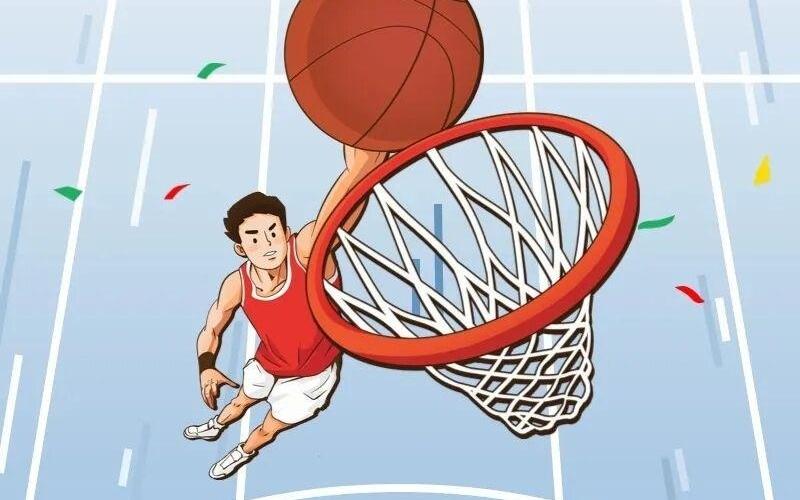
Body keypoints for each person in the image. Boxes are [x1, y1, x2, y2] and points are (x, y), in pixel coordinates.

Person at [184, 146, 387, 480]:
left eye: (272, 232)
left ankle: (241, 452)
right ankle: (216, 425)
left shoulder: (307, 252)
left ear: (287, 232)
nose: (267, 244)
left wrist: (364, 162)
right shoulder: (237, 283)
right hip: (269, 362)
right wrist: (206, 366)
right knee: (240, 401)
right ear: (240, 248)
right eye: (254, 238)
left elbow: (343, 207)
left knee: (267, 428)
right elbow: (212, 327)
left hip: (313, 375)